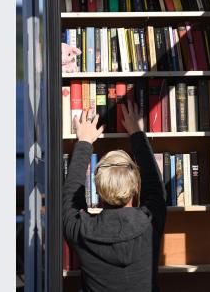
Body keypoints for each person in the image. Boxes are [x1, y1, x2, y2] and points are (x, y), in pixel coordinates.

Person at [63, 101, 167, 292]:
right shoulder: (150, 223)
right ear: (136, 187)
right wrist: (137, 134)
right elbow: (155, 187)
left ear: (98, 190)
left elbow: (70, 195)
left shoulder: (81, 230)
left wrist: (85, 142)